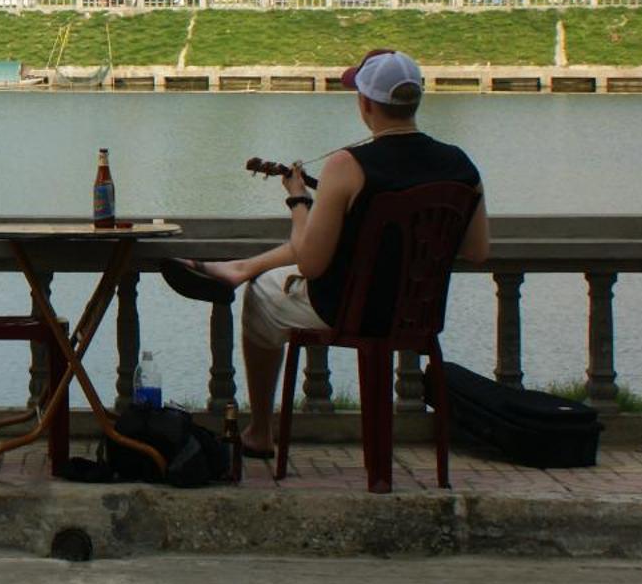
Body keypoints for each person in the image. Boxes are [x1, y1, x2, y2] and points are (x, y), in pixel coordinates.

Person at [158, 49, 490, 458]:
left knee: (261, 294)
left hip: (347, 311)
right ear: (416, 100)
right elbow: (477, 251)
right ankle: (238, 270)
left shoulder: (348, 165)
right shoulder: (462, 165)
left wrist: (298, 200)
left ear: (365, 104)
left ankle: (261, 431)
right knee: (280, 274)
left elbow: (312, 263)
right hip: (417, 313)